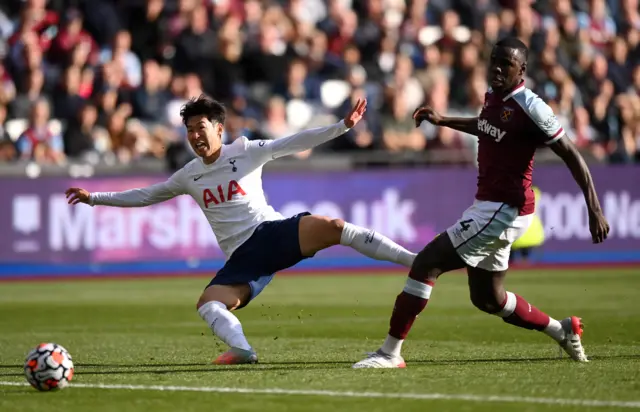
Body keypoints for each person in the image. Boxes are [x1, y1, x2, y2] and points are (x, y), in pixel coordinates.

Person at [65, 95, 417, 365]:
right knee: (208, 304)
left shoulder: (245, 151)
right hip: (243, 258)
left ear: (219, 129)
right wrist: (94, 197)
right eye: (189, 131)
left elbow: (291, 143)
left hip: (270, 233)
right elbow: (147, 195)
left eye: (200, 128)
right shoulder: (189, 174)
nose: (194, 137)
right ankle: (242, 350)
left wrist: (341, 127)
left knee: (335, 227)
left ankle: (414, 261)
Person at [353, 37, 610, 369]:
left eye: (506, 63)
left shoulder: (531, 107)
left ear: (523, 70)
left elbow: (572, 155)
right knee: (489, 299)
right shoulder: (494, 96)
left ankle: (389, 354)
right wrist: (444, 121)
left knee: (427, 263)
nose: (498, 68)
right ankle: (562, 330)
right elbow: (487, 128)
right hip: (492, 206)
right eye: (494, 61)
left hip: (504, 209)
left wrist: (595, 208)